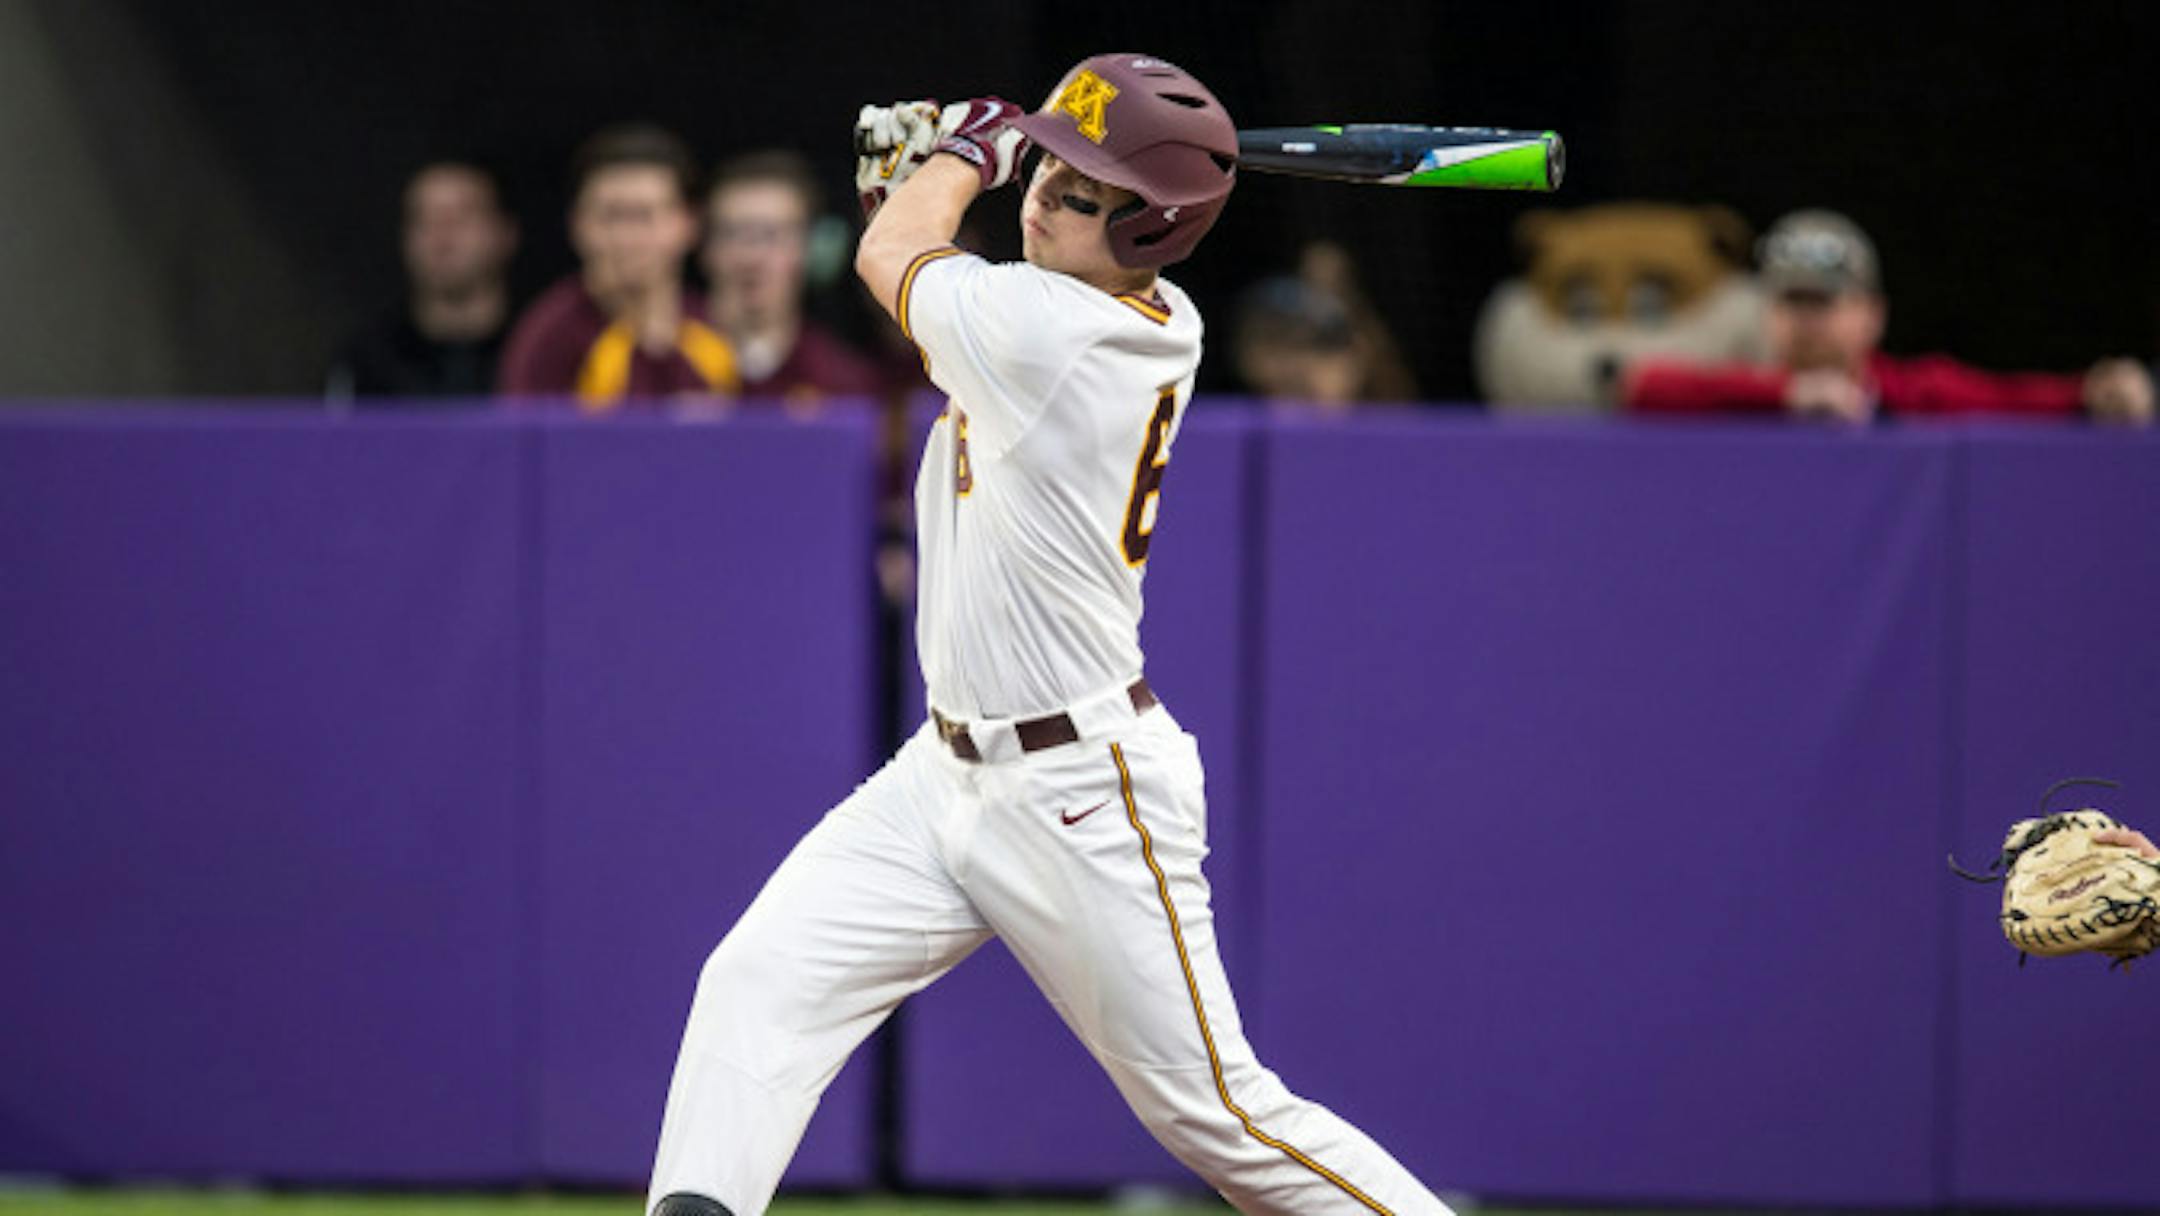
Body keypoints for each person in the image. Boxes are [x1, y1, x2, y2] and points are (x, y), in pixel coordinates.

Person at [645, 54, 1455, 1216]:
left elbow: (897, 263)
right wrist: (933, 185)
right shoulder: (1075, 309)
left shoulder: (1064, 334)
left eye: (1082, 194)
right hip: (943, 776)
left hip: (1082, 791)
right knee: (759, 981)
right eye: (1050, 169)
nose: (1043, 197)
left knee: (1221, 1113)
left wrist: (964, 154)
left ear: (1150, 235)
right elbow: (928, 285)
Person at [1623, 209, 2155, 425]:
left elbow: (2006, 398)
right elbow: (1643, 386)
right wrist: (1787, 396)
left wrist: (2088, 393)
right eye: (1792, 302)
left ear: (1871, 315)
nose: (1807, 319)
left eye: (1823, 302)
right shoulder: (1749, 396)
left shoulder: (1911, 394)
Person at [497, 124, 736, 410]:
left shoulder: (720, 329)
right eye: (611, 216)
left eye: (644, 216)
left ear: (687, 224)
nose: (627, 238)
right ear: (578, 225)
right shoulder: (548, 339)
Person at [700, 150, 881, 406]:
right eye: (733, 233)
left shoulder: (843, 383)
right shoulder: (661, 370)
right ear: (706, 248)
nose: (752, 257)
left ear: (808, 249)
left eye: (772, 235)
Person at [326, 161, 518, 402]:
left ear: (506, 233)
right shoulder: (367, 362)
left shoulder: (540, 351)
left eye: (462, 218)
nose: (442, 237)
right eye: (423, 220)